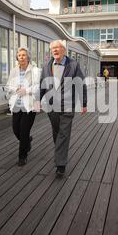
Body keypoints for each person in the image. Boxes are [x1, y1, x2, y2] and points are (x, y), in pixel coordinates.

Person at [40, 40, 87, 177]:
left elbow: (81, 84)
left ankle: (60, 165)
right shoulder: (46, 66)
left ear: (64, 50)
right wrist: (37, 100)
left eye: (58, 48)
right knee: (57, 132)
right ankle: (60, 153)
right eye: (53, 48)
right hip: (51, 106)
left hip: (67, 105)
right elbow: (42, 85)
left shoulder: (73, 65)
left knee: (64, 133)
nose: (55, 50)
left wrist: (84, 103)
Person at [5, 47, 41, 166]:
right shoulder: (14, 70)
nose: (21, 57)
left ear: (28, 57)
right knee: (16, 129)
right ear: (17, 58)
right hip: (16, 105)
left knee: (24, 130)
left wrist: (26, 90)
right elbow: (8, 86)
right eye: (19, 55)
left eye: (24, 55)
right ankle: (27, 141)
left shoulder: (35, 70)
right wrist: (16, 89)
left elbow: (37, 87)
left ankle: (22, 156)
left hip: (30, 105)